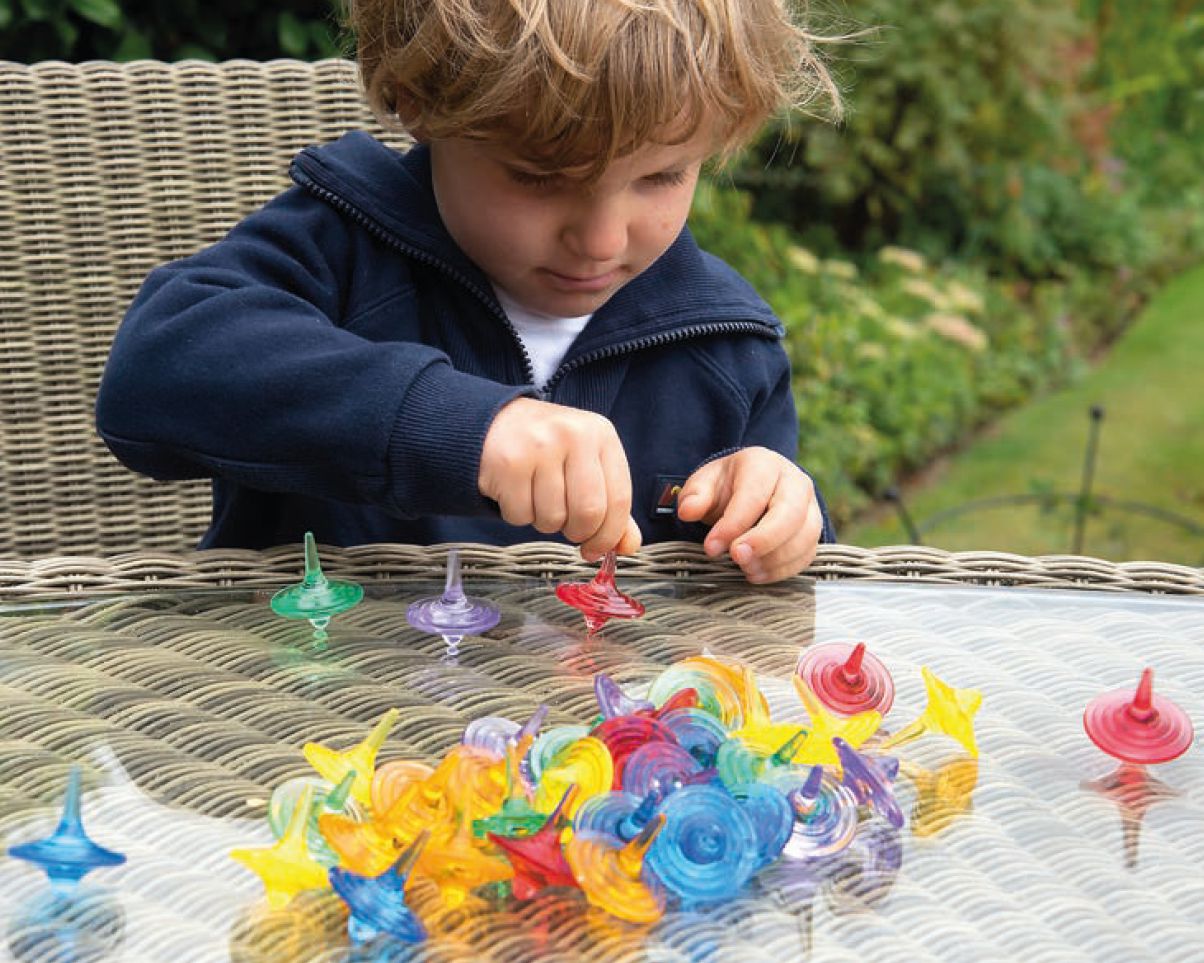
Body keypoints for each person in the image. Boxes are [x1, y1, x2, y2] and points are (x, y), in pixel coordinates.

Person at [95, 0, 841, 584]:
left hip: (603, 729)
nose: (601, 239)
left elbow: (768, 613)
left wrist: (777, 518)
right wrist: (459, 427)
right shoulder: (343, 248)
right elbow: (155, 370)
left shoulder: (724, 345)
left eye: (662, 176)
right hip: (314, 705)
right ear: (419, 103)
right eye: (541, 178)